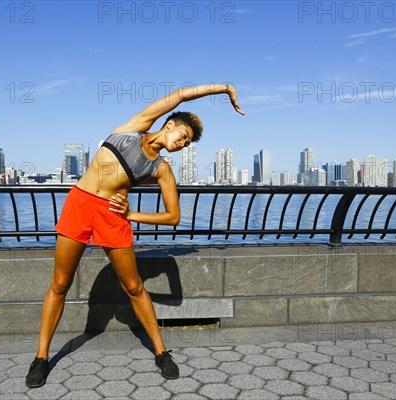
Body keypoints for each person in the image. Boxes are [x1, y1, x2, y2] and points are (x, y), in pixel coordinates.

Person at [26, 83, 244, 388]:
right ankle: (41, 358)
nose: (183, 143)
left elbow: (174, 216)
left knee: (133, 286)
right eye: (183, 136)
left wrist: (131, 215)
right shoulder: (134, 128)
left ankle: (161, 352)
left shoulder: (161, 169)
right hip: (80, 204)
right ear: (169, 124)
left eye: (188, 143)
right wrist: (224, 89)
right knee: (60, 283)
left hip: (113, 217)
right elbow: (180, 95)